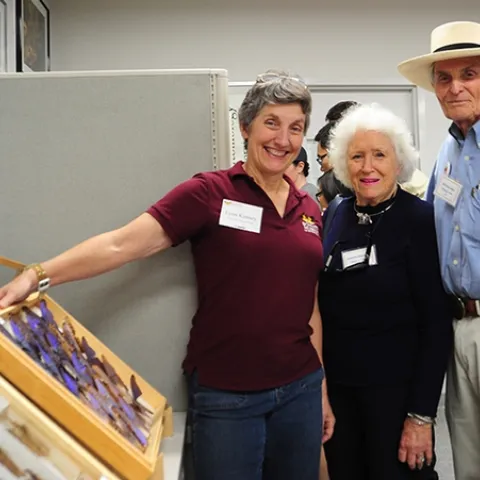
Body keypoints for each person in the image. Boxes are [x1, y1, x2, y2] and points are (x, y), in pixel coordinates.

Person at [0, 69, 335, 480]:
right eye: (271, 123)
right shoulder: (210, 193)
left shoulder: (309, 208)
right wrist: (37, 275)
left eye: (295, 128)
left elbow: (309, 305)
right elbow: (121, 245)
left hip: (300, 389)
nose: (282, 140)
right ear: (245, 126)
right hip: (227, 395)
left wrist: (320, 391)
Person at [318, 103, 453, 480]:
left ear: (399, 162)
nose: (367, 166)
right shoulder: (336, 214)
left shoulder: (420, 220)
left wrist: (421, 415)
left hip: (397, 396)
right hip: (340, 394)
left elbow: (436, 324)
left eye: (379, 154)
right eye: (357, 156)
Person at [398, 20, 480, 480]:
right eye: (445, 78)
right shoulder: (446, 155)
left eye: (469, 73)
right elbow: (427, 226)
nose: (456, 88)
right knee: (467, 460)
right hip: (458, 325)